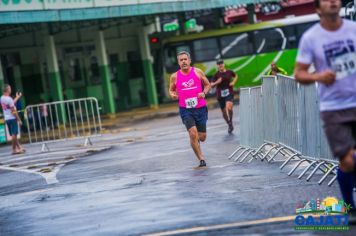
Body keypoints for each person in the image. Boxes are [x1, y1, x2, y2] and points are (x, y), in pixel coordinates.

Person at [294, 0, 356, 218]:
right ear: (318, 9)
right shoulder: (311, 38)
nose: (333, 2)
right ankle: (350, 207)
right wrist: (318, 76)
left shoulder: (353, 29)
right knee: (347, 160)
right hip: (333, 107)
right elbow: (299, 73)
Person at [169, 51, 211, 168]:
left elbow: (208, 85)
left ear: (189, 60)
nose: (183, 62)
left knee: (201, 137)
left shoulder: (198, 72)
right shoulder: (175, 76)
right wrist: (172, 94)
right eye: (181, 60)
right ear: (178, 62)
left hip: (200, 108)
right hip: (186, 109)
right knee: (193, 134)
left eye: (185, 59)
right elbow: (171, 90)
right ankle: (201, 159)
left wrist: (204, 92)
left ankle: (197, 142)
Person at [211, 59, 238, 133]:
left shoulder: (229, 72)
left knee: (229, 107)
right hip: (220, 95)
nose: (220, 65)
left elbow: (235, 76)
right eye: (219, 64)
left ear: (224, 64)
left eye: (221, 63)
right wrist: (217, 82)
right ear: (217, 66)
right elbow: (211, 85)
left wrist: (233, 82)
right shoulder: (216, 75)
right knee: (223, 112)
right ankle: (229, 124)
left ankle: (231, 121)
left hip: (229, 92)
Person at [0, 84, 25, 154]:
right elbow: (13, 111)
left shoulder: (2, 98)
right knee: (14, 134)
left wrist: (17, 97)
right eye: (10, 88)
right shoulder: (9, 99)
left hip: (7, 118)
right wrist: (19, 119)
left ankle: (19, 147)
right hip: (12, 118)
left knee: (13, 134)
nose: (11, 90)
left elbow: (11, 104)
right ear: (8, 90)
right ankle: (14, 149)